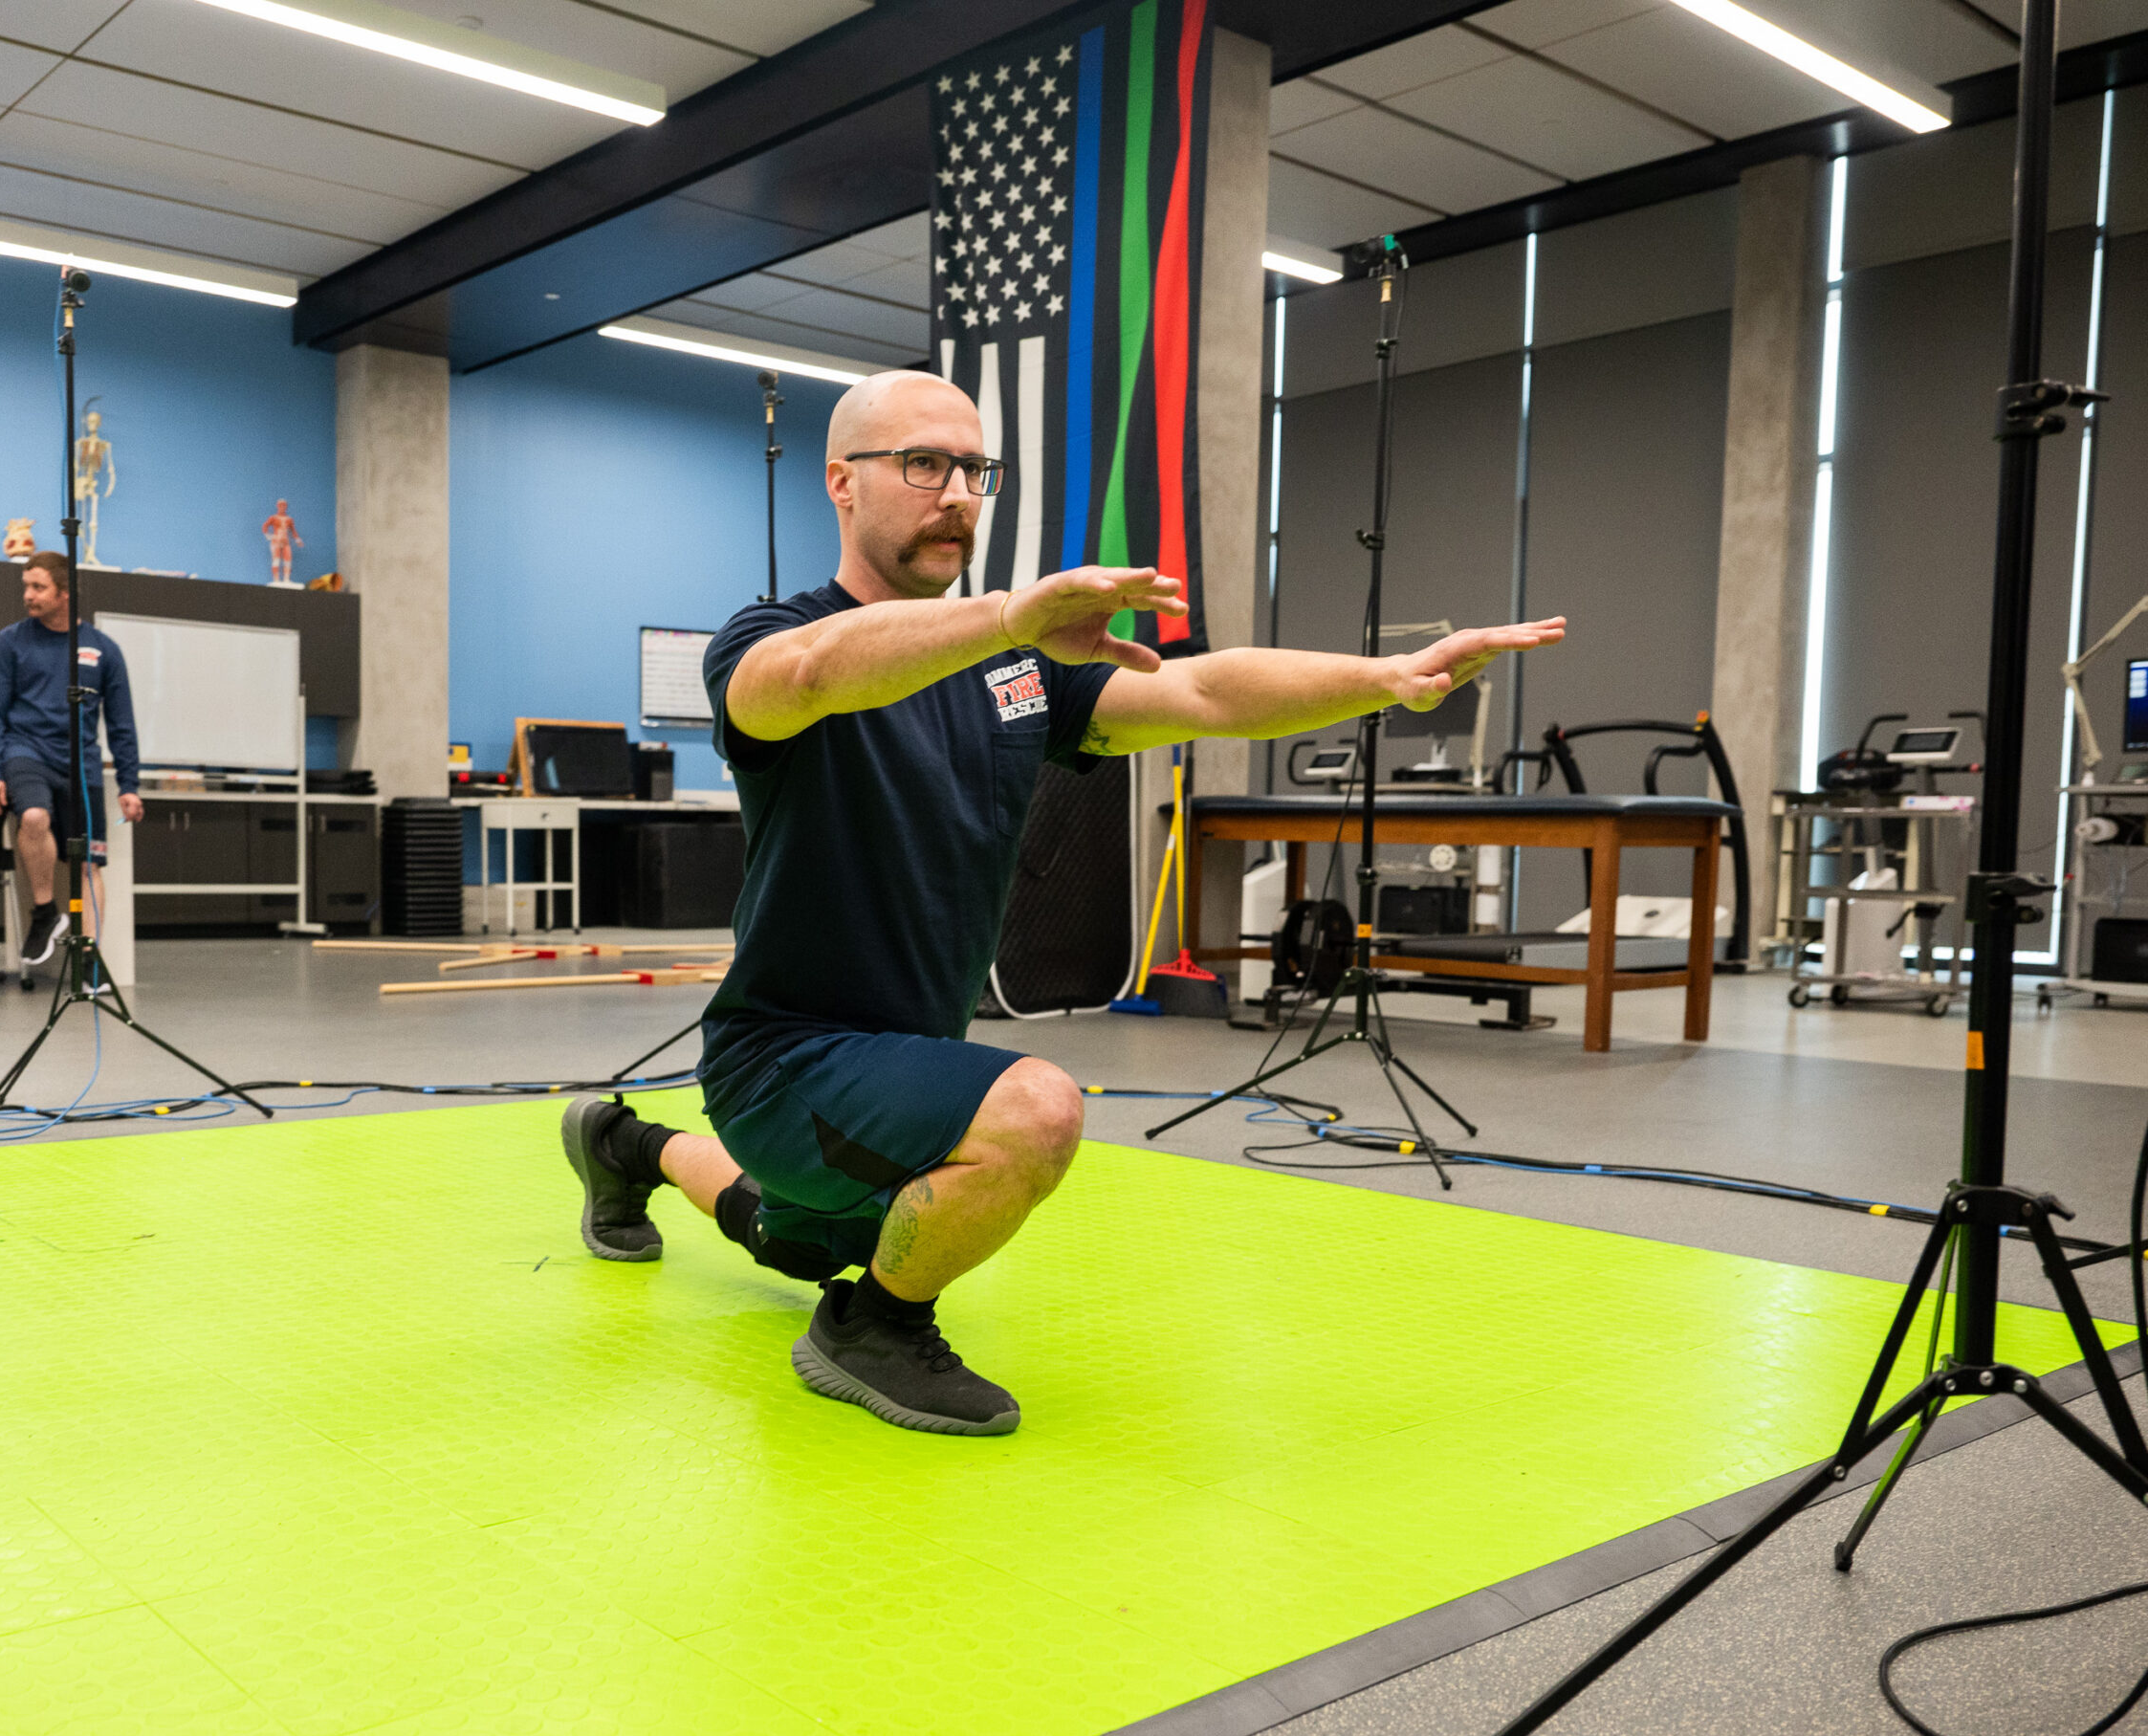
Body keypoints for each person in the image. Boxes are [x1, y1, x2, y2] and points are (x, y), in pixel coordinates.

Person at [562, 370, 1565, 1438]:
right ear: (841, 483)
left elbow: (1202, 691)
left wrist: (1389, 680)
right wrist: (1008, 615)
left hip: (901, 1062)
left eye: (973, 469)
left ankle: (625, 1142)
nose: (957, 493)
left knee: (792, 1238)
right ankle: (874, 1328)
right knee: (1034, 1110)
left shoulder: (1017, 675)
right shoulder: (773, 636)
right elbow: (808, 676)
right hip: (784, 1060)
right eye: (923, 464)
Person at [0, 552, 142, 968]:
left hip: (81, 763)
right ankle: (45, 910)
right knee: (33, 817)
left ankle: (88, 957)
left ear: (65, 593)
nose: (28, 595)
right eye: (26, 587)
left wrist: (129, 784)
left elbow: (121, 723)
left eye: (38, 587)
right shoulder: (9, 642)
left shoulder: (103, 650)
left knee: (88, 864)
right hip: (26, 750)